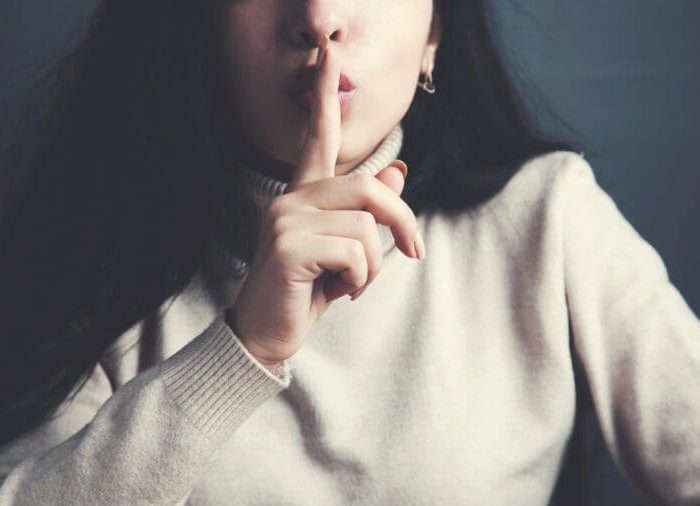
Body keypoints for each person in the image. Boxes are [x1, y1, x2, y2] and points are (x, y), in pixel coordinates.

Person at [0, 0, 698, 504]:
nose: (320, 16)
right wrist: (241, 350)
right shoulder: (97, 259)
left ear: (435, 33)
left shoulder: (547, 216)